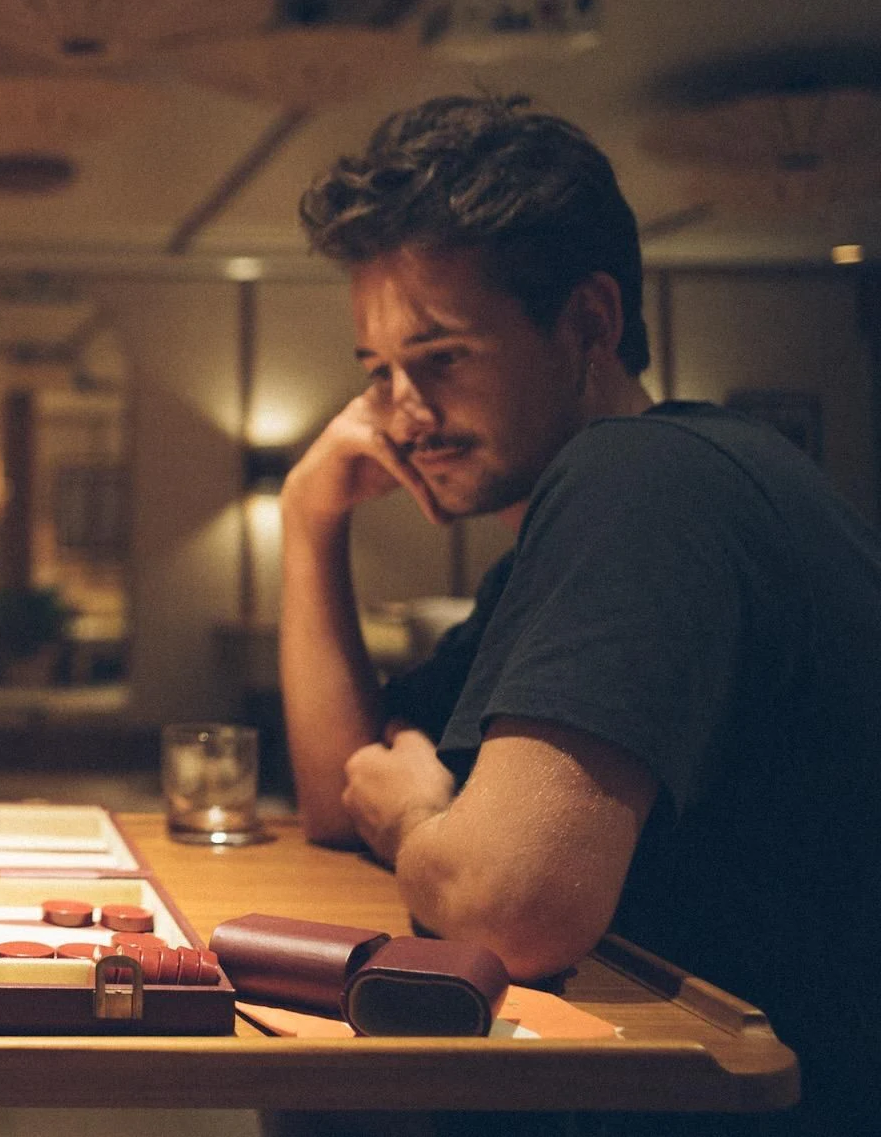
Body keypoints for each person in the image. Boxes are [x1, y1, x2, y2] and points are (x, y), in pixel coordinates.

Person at [276, 95, 878, 1134]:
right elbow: (344, 792)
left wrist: (417, 820)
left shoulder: (647, 480)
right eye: (376, 372)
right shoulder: (571, 535)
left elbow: (510, 913)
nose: (400, 412)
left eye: (440, 355)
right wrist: (306, 514)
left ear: (589, 323)